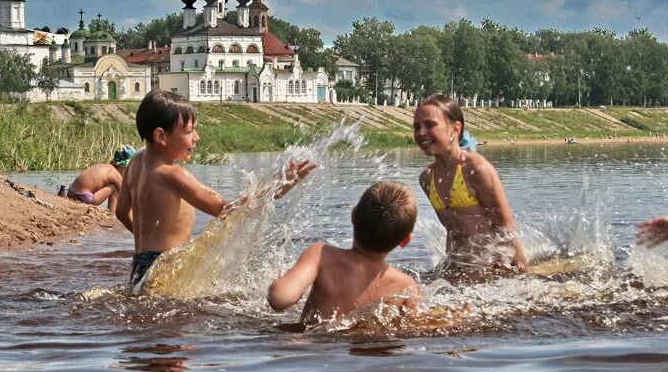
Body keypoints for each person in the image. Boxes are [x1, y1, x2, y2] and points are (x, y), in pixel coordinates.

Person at [116, 89, 314, 293]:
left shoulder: (136, 161)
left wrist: (149, 245)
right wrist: (280, 186)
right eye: (188, 131)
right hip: (165, 269)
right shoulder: (173, 175)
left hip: (140, 264)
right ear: (161, 136)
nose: (196, 138)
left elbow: (121, 212)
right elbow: (229, 209)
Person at [268, 181, 420, 325]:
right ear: (406, 241)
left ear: (353, 215)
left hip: (313, 348)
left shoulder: (322, 255)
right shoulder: (406, 286)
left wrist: (281, 285)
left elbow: (280, 299)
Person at [412, 94, 529, 278]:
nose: (421, 133)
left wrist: (523, 273)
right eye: (417, 127)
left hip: (494, 268)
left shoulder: (476, 168)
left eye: (430, 125)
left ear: (455, 129)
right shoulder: (427, 179)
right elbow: (452, 230)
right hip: (459, 268)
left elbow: (507, 228)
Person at [59, 145, 136, 214]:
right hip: (84, 197)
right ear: (124, 167)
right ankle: (112, 216)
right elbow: (125, 193)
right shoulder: (114, 173)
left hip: (71, 193)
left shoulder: (105, 167)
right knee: (114, 188)